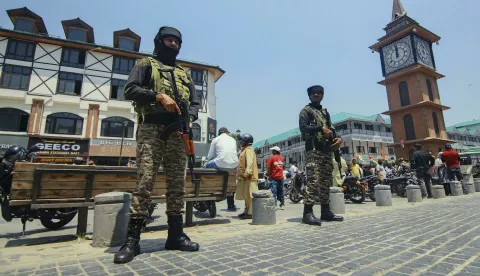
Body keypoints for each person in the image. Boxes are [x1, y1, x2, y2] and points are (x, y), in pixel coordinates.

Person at [114, 26, 200, 264]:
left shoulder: (184, 73)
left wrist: (190, 118)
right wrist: (157, 96)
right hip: (151, 128)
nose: (172, 44)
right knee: (145, 182)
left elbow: (194, 102)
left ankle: (175, 236)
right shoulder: (145, 64)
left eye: (176, 41)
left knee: (176, 184)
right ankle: (132, 240)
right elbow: (129, 89)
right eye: (168, 40)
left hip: (177, 132)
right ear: (159, 41)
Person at [298, 85, 343, 226]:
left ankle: (325, 211)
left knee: (325, 181)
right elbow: (303, 128)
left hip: (326, 151)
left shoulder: (325, 113)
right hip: (313, 150)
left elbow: (332, 130)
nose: (316, 95)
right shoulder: (306, 110)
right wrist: (319, 128)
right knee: (313, 181)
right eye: (313, 93)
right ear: (309, 96)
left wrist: (338, 139)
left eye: (319, 93)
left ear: (322, 95)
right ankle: (307, 213)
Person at [204, 127, 239, 211]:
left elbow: (210, 156)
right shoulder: (233, 140)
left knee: (205, 166)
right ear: (227, 132)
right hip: (234, 165)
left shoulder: (216, 139)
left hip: (220, 163)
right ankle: (231, 205)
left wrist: (212, 161)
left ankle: (203, 188)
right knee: (230, 178)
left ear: (219, 133)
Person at [235, 133, 258, 219]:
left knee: (250, 195)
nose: (240, 142)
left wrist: (247, 172)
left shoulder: (249, 150)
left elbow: (250, 163)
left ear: (246, 141)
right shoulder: (244, 150)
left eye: (242, 141)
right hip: (245, 177)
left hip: (250, 177)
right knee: (246, 196)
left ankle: (251, 213)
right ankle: (247, 211)